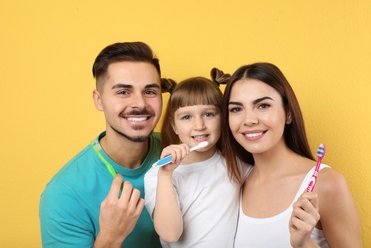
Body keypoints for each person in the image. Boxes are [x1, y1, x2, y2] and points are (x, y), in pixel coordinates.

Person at [220, 62, 362, 247]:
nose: (249, 120)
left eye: (263, 106)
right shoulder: (235, 182)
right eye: (236, 109)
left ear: (288, 113)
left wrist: (304, 244)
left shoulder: (327, 184)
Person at [39, 42, 166, 247]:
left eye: (150, 92)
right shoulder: (64, 194)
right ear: (99, 100)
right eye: (123, 92)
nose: (140, 104)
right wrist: (111, 236)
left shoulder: (181, 151)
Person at [144, 69, 251, 247]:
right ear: (174, 126)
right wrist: (165, 176)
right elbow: (170, 234)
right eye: (186, 117)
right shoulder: (157, 176)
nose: (199, 125)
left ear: (223, 118)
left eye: (208, 114)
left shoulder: (237, 165)